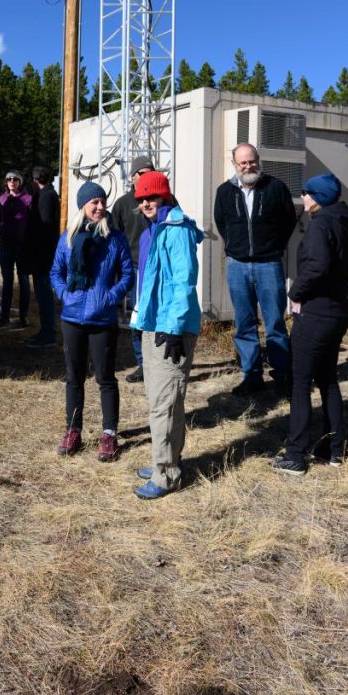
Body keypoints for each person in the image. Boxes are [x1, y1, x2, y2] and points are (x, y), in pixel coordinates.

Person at [273, 173, 348, 476]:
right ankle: (332, 449)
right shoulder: (346, 224)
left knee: (299, 383)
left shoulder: (321, 224)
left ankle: (296, 456)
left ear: (320, 197)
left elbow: (318, 266)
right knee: (328, 379)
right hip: (338, 311)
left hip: (316, 313)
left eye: (308, 194)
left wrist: (295, 293)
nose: (304, 199)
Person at [130, 171, 204, 499]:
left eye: (152, 197)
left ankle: (166, 474)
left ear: (165, 196)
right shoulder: (156, 228)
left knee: (165, 403)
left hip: (169, 329)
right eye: (141, 199)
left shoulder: (177, 230)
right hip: (153, 324)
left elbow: (183, 282)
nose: (146, 203)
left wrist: (173, 329)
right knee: (161, 400)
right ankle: (167, 461)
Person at [50, 181, 134, 462]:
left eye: (102, 202)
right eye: (93, 203)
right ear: (82, 206)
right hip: (72, 318)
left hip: (102, 319)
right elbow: (55, 272)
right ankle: (73, 430)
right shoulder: (68, 238)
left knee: (105, 378)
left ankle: (109, 434)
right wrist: (64, 294)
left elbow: (126, 275)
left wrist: (110, 298)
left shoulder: (115, 238)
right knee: (74, 378)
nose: (99, 207)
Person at [214, 143, 297, 396]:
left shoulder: (275, 187)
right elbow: (222, 223)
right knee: (244, 323)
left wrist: (274, 247)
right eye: (243, 163)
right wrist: (235, 247)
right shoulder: (225, 191)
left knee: (275, 322)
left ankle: (282, 375)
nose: (248, 166)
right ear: (234, 164)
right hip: (237, 265)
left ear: (258, 160)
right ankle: (252, 376)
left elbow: (288, 221)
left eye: (252, 161)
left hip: (269, 264)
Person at [111, 155, 155, 383]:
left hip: (159, 271)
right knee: (137, 319)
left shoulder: (165, 199)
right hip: (135, 269)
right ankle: (142, 364)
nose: (147, 176)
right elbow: (114, 239)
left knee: (158, 319)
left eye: (151, 171)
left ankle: (158, 364)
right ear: (133, 176)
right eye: (143, 173)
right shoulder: (123, 204)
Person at [24, 165, 60, 348]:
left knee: (44, 294)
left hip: (43, 254)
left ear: (36, 179)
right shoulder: (47, 194)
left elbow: (44, 224)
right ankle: (45, 331)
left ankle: (48, 334)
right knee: (42, 293)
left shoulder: (46, 196)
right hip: (42, 253)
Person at [0, 169, 33, 329]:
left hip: (23, 246)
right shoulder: (1, 199)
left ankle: (23, 316)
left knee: (23, 281)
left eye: (15, 179)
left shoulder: (29, 199)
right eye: (9, 179)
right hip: (5, 246)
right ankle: (4, 317)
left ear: (20, 182)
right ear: (6, 182)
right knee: (7, 281)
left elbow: (33, 222)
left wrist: (28, 239)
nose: (12, 182)